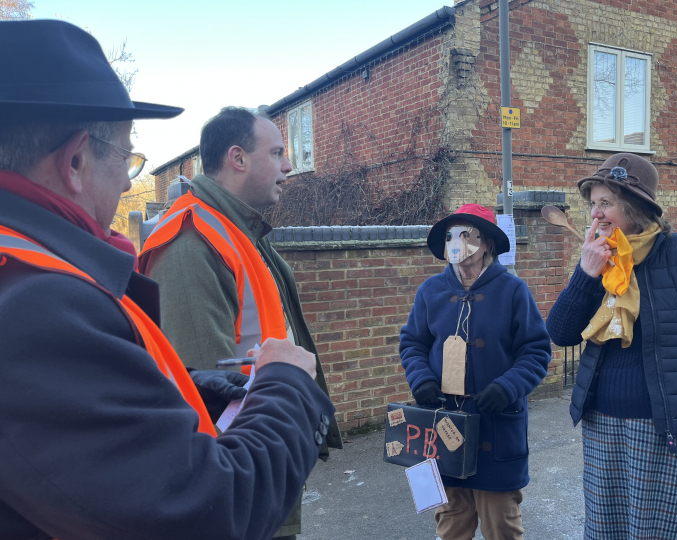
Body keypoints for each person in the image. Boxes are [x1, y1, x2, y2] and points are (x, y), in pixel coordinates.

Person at [0, 20, 334, 540]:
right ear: (75, 160)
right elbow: (206, 508)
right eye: (127, 159)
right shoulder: (38, 303)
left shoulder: (31, 271)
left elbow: (98, 414)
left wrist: (199, 386)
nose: (128, 181)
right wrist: (289, 385)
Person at [139, 106, 342, 539]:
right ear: (238, 159)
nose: (289, 166)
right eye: (278, 152)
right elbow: (202, 406)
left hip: (265, 457)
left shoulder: (235, 231)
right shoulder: (192, 242)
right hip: (242, 488)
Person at [546, 153, 677, 539]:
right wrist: (585, 274)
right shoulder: (600, 261)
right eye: (593, 204)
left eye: (605, 203)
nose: (595, 215)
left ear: (636, 206)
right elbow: (559, 333)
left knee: (670, 532)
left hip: (673, 431)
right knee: (609, 531)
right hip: (602, 425)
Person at [399, 204, 551, 540]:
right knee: (451, 524)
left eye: (467, 235)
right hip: (443, 428)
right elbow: (412, 344)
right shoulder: (430, 292)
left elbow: (536, 351)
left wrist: (509, 386)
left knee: (502, 528)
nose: (458, 243)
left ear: (487, 244)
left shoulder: (513, 291)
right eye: (452, 236)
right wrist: (421, 378)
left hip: (497, 430)